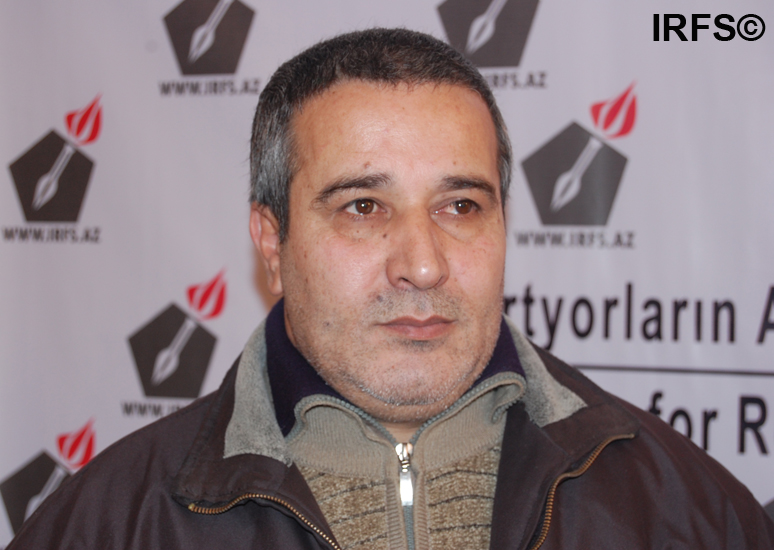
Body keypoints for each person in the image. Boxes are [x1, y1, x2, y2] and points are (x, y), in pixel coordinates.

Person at [7, 28, 774, 550]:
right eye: (364, 208)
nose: (423, 265)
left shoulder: (687, 512)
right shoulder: (112, 523)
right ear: (272, 243)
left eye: (460, 206)